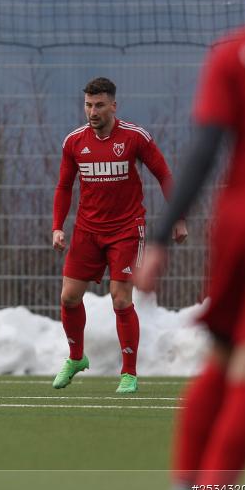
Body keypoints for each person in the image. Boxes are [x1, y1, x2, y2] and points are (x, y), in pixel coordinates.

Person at [135, 0, 245, 490]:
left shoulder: (232, 55)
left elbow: (206, 151)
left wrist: (160, 238)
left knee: (223, 355)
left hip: (238, 222)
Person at [51, 77, 188, 393]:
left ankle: (129, 373)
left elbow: (164, 175)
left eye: (99, 105)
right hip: (87, 230)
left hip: (126, 230)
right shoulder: (74, 142)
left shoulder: (135, 137)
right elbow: (64, 186)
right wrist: (58, 226)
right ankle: (76, 358)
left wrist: (179, 218)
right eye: (88, 105)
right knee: (69, 297)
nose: (92, 111)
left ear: (113, 106)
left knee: (121, 298)